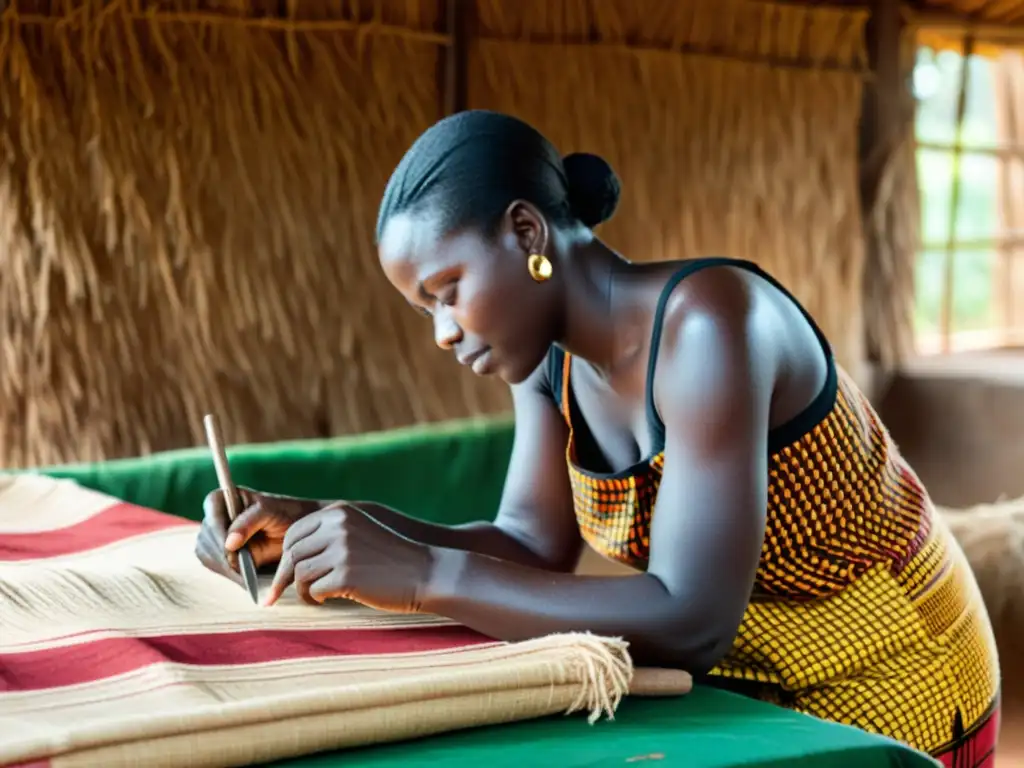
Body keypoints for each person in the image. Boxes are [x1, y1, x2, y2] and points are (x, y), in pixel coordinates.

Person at [195, 110, 1000, 765]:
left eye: (447, 292)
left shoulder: (711, 324)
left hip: (897, 678)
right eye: (423, 310)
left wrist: (422, 572)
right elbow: (528, 544)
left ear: (526, 232)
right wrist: (321, 529)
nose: (441, 333)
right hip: (755, 685)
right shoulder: (549, 367)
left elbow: (691, 622)